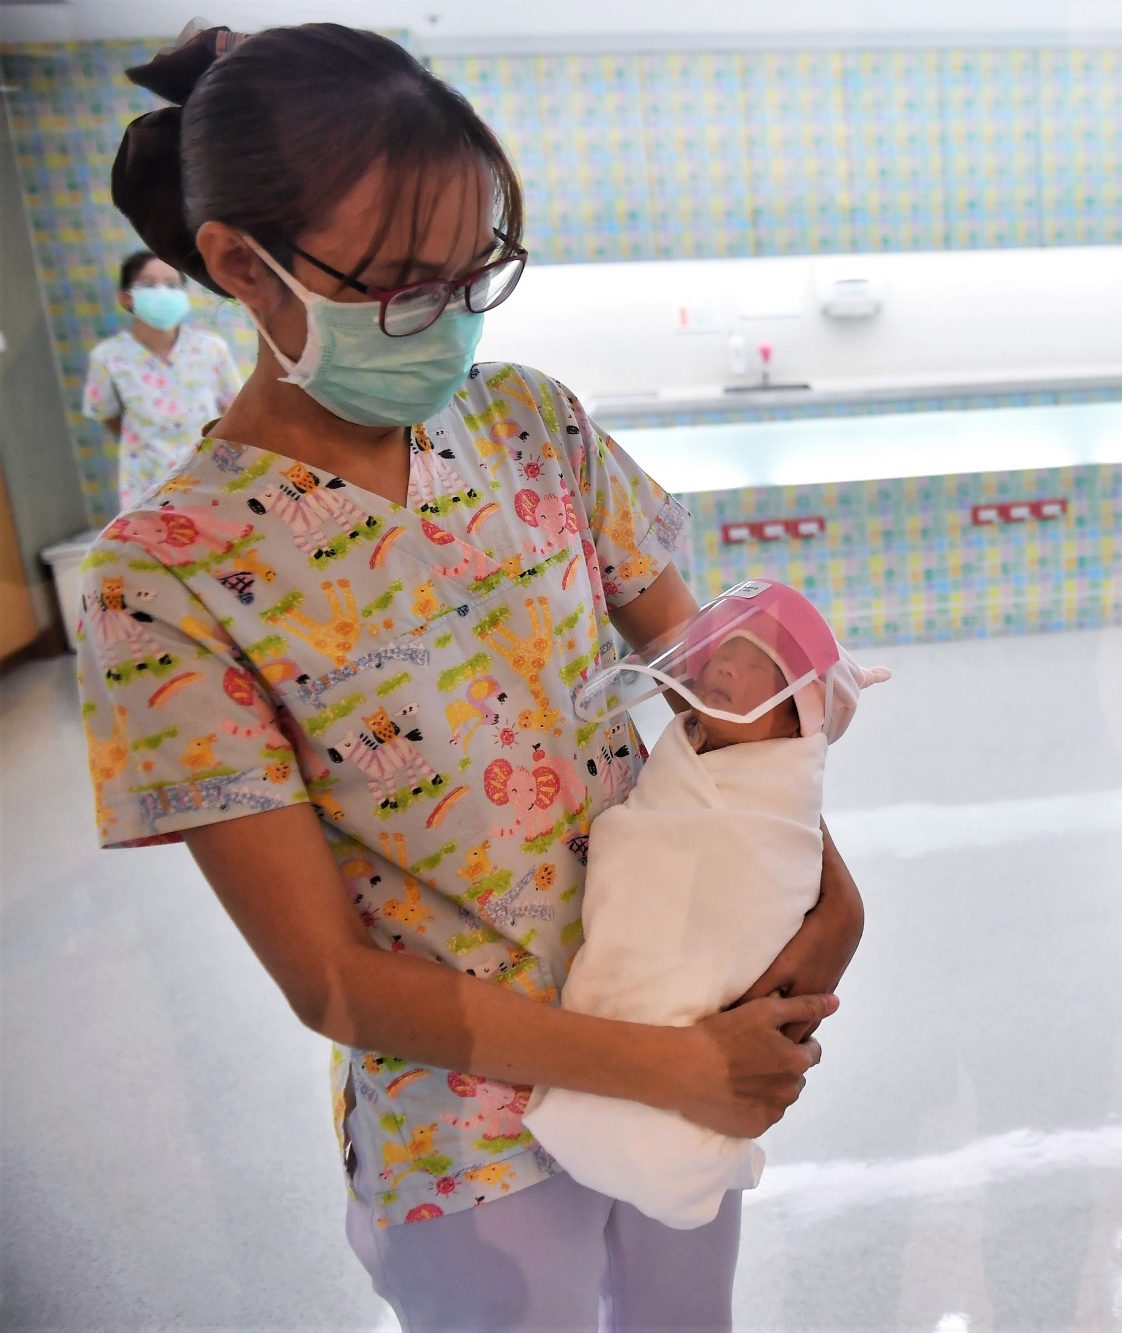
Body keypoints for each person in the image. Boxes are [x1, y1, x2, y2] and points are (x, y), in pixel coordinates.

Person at [84, 23, 862, 1331]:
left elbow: (725, 707)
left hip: (687, 1010)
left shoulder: (530, 426)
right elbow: (327, 976)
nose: (443, 320)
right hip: (470, 1138)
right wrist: (672, 1065)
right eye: (398, 284)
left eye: (471, 273)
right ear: (238, 264)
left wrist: (824, 905)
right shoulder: (166, 578)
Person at [524, 581, 891, 1231]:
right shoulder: (693, 752)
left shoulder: (769, 813)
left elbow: (749, 891)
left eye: (761, 667)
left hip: (701, 1074)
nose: (726, 666)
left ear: (792, 725)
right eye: (725, 650)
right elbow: (643, 851)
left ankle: (658, 1137)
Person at [81, 249, 243, 509]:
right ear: (126, 298)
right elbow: (107, 415)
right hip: (146, 483)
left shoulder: (210, 348)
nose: (162, 292)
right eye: (148, 285)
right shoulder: (109, 357)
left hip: (209, 478)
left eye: (171, 285)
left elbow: (232, 410)